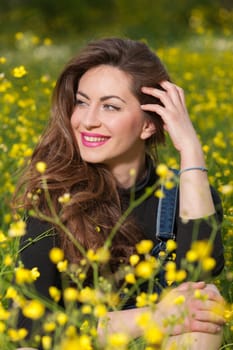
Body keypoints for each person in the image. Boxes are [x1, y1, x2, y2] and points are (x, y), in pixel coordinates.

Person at [14, 37, 225, 349]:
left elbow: (200, 270)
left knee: (206, 303)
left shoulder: (185, 193)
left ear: (149, 125)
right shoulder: (52, 196)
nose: (87, 120)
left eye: (110, 106)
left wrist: (191, 150)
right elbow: (30, 331)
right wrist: (152, 317)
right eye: (82, 102)